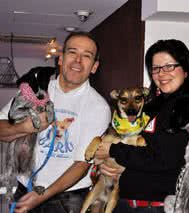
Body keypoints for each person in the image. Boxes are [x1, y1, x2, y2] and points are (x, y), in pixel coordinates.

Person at [0, 31, 111, 213]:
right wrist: (25, 127)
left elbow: (82, 164)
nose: (77, 60)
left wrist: (42, 195)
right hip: (24, 189)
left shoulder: (98, 107)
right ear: (60, 59)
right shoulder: (35, 91)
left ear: (94, 67)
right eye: (72, 52)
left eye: (86, 56)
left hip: (67, 198)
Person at [94, 39, 189, 212]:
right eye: (156, 68)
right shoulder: (151, 107)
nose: (162, 73)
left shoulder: (187, 108)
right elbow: (132, 145)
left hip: (156, 207)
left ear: (185, 70)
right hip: (126, 203)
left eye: (169, 66)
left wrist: (114, 150)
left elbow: (163, 159)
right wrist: (107, 163)